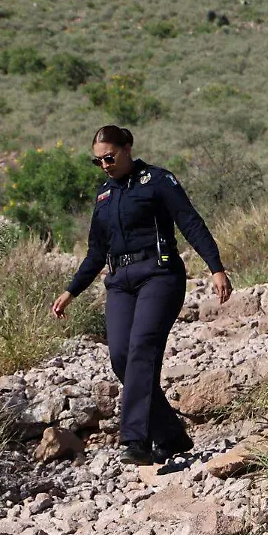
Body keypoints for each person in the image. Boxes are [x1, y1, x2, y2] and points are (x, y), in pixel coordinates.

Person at [51, 125, 232, 466]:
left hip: (159, 275)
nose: (104, 165)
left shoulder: (158, 181)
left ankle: (135, 439)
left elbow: (190, 222)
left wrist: (216, 267)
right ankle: (171, 434)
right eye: (97, 161)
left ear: (128, 147)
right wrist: (71, 290)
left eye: (110, 157)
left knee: (142, 349)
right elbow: (95, 252)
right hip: (120, 281)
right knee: (120, 357)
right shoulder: (104, 195)